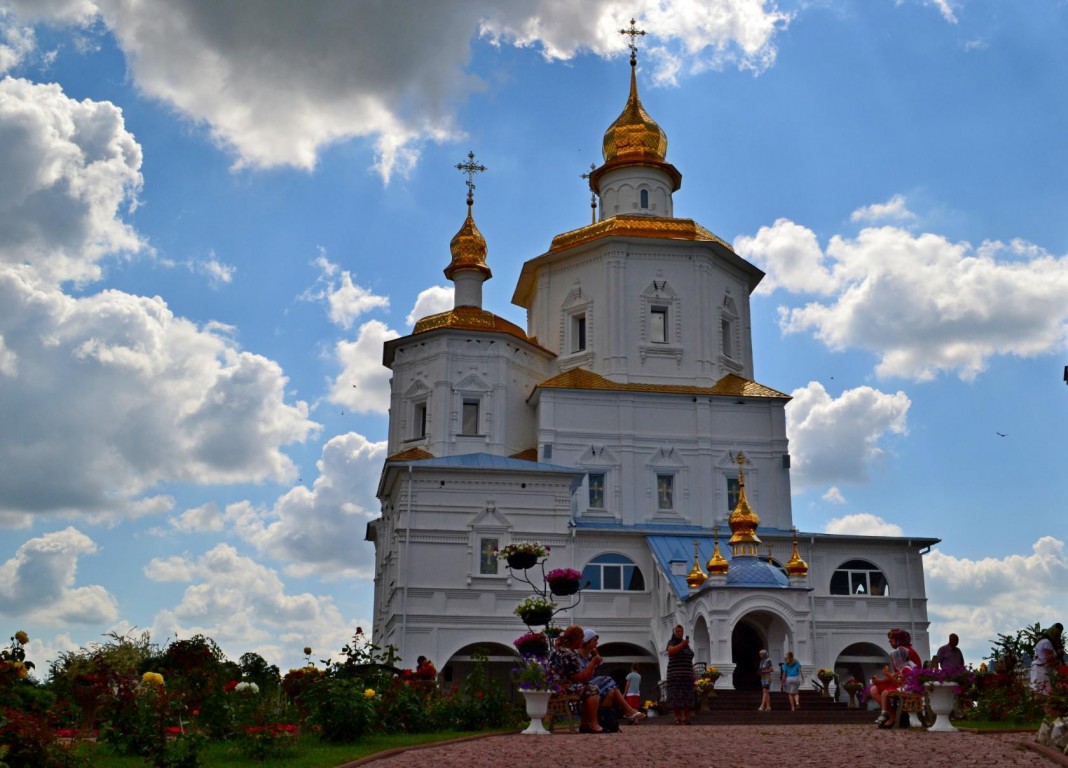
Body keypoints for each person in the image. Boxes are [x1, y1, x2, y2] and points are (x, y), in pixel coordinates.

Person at [578, 629, 646, 723]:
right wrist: (593, 662)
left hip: (592, 683)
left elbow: (599, 662)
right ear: (587, 641)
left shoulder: (589, 655)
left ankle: (605, 720)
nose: (597, 643)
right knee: (609, 679)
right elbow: (584, 674)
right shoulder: (578, 656)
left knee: (611, 691)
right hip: (583, 683)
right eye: (594, 640)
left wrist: (595, 653)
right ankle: (628, 710)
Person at [549, 625, 603, 732]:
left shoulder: (559, 650)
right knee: (592, 689)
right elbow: (580, 678)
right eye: (582, 638)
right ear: (576, 639)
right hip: (562, 688)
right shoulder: (567, 654)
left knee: (588, 688)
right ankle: (593, 723)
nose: (583, 641)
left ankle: (585, 724)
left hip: (555, 686)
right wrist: (593, 663)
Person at [872, 629, 919, 727]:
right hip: (902, 681)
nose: (889, 642)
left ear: (898, 640)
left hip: (908, 684)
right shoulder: (902, 650)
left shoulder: (904, 652)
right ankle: (892, 716)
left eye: (892, 640)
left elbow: (901, 674)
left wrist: (882, 680)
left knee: (875, 690)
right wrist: (882, 680)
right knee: (874, 689)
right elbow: (899, 673)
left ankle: (892, 717)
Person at [665, 624, 695, 725]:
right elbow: (671, 651)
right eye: (678, 631)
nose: (680, 633)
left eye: (681, 631)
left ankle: (686, 718)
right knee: (675, 697)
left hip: (687, 675)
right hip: (675, 676)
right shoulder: (672, 642)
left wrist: (693, 673)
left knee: (687, 697)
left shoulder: (687, 645)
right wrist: (682, 644)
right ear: (674, 632)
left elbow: (690, 660)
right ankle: (677, 718)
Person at [1031, 622, 1064, 694]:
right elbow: (1050, 660)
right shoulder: (1047, 642)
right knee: (1044, 693)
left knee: (1037, 693)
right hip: (1042, 671)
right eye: (1057, 635)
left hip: (1038, 670)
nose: (1058, 638)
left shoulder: (1042, 641)